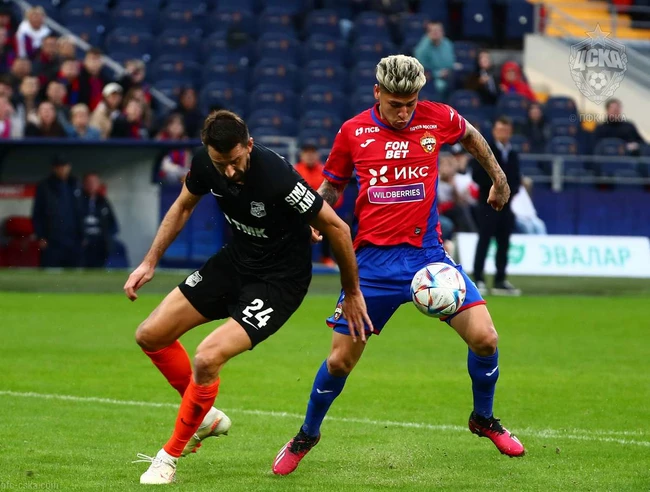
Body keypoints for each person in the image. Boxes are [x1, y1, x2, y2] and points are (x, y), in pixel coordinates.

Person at [272, 55, 525, 477]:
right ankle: (307, 434)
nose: (404, 112)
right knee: (340, 362)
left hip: (428, 257)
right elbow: (332, 184)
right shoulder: (353, 131)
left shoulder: (436, 117)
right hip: (371, 265)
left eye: (410, 103)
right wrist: (314, 219)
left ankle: (483, 418)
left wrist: (499, 179)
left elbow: (471, 135)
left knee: (486, 338)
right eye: (395, 104)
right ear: (377, 93)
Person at [125, 110, 371, 485]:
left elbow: (337, 227)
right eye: (220, 163)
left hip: (278, 283)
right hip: (234, 263)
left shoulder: (276, 175)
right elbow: (183, 205)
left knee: (207, 357)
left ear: (249, 146)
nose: (228, 171)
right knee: (150, 334)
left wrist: (352, 292)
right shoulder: (205, 163)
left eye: (235, 161)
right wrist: (149, 261)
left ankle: (168, 457)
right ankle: (205, 416)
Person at [471, 116, 521, 296]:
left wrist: (508, 192)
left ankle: (500, 279)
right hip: (487, 203)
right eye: (500, 130)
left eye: (506, 130)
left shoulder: (513, 153)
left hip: (506, 206)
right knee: (484, 240)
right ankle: (478, 277)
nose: (503, 133)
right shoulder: (485, 150)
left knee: (504, 242)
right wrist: (497, 187)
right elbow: (477, 175)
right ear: (494, 131)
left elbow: (516, 179)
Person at [32, 154, 84, 267]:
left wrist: (83, 235)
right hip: (52, 240)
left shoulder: (76, 184)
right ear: (53, 168)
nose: (62, 169)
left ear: (69, 167)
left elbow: (81, 212)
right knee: (50, 271)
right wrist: (40, 236)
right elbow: (37, 214)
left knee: (74, 272)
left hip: (73, 239)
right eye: (59, 166)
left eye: (64, 166)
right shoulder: (44, 186)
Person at [294, 142, 338, 266]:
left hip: (321, 211)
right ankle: (296, 258)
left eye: (312, 152)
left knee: (331, 221)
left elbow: (334, 194)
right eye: (307, 153)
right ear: (301, 155)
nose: (310, 156)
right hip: (300, 211)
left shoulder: (325, 171)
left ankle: (326, 257)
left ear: (317, 155)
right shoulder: (294, 170)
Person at [81, 173, 119, 267]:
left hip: (100, 243)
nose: (91, 185)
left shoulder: (103, 202)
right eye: (89, 182)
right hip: (83, 244)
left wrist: (107, 239)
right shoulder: (77, 201)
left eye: (94, 182)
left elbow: (113, 224)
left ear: (98, 184)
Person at [413, 21, 455, 99]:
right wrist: (437, 74)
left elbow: (451, 62)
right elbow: (420, 70)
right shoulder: (422, 48)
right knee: (439, 86)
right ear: (427, 33)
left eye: (437, 30)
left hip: (448, 75)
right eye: (432, 30)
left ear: (443, 32)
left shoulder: (448, 44)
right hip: (430, 79)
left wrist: (448, 71)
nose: (435, 33)